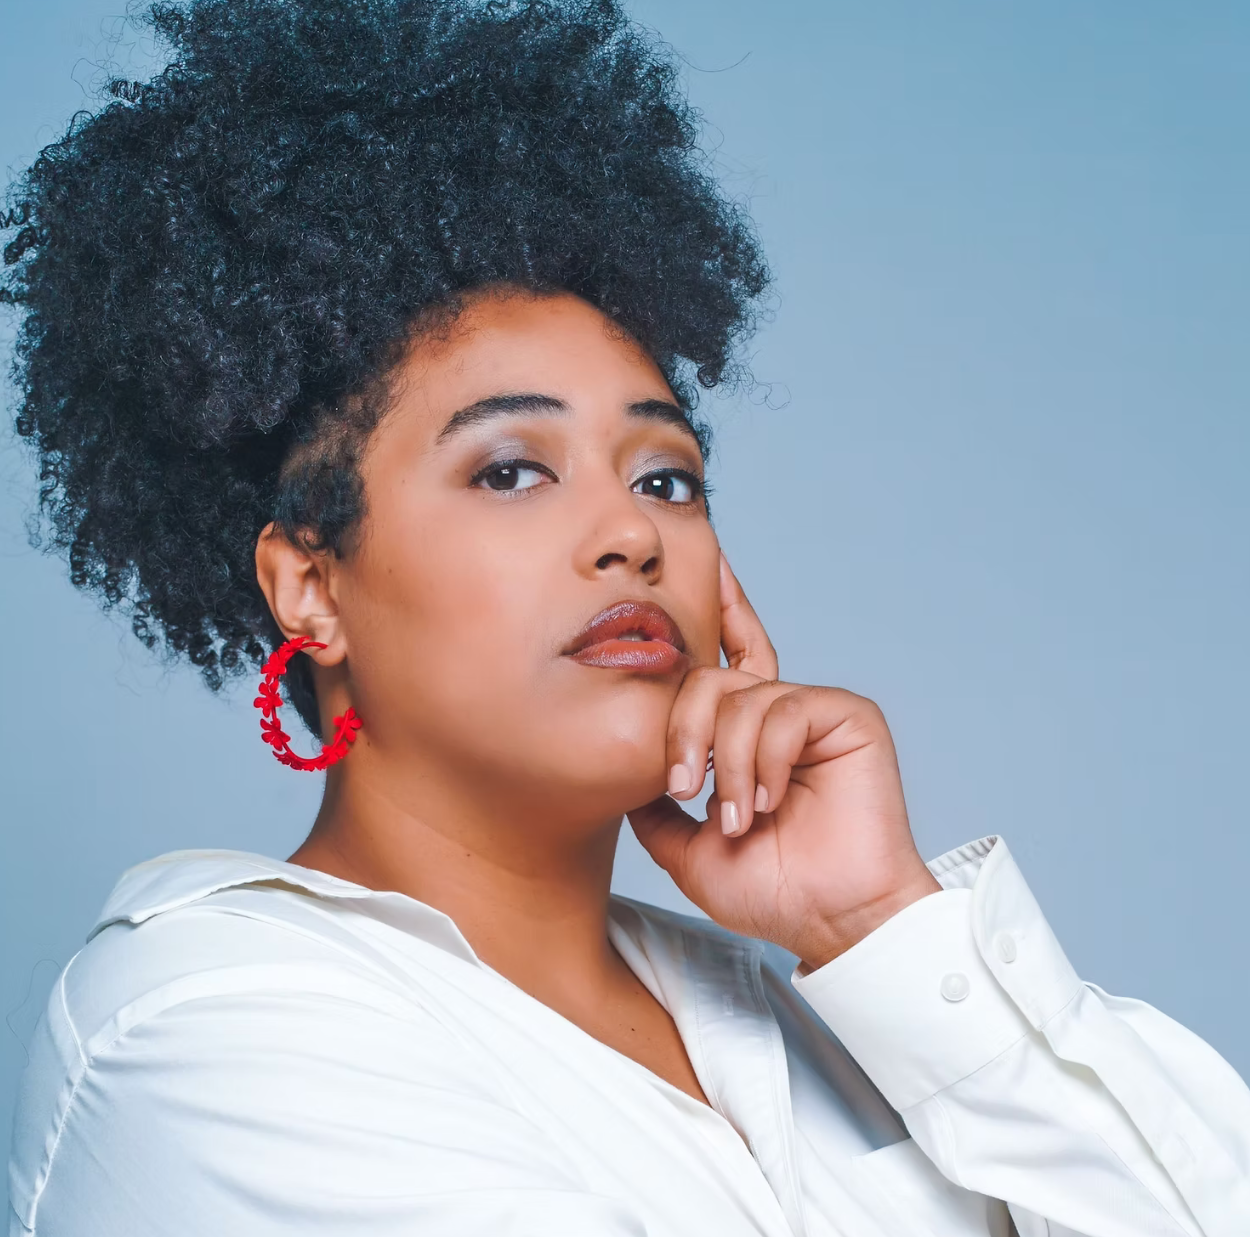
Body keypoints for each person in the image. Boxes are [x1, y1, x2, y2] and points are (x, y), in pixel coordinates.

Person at [3, 2, 1247, 1234]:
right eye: (509, 469)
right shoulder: (205, 1028)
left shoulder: (826, 1012)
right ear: (310, 585)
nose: (633, 533)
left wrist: (874, 923)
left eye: (666, 479)